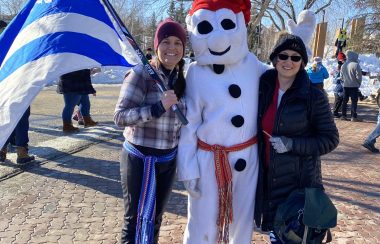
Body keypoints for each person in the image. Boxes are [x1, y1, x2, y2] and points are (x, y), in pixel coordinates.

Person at [177, 0, 316, 242]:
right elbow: (189, 126)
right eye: (206, 28)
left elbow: (286, 72)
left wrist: (299, 43)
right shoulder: (196, 73)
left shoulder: (254, 66)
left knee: (241, 223)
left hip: (246, 160)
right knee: (202, 222)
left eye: (228, 24)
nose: (218, 39)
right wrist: (188, 168)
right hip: (209, 161)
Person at [254, 32, 339, 243]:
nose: (288, 62)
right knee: (277, 236)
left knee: (294, 238)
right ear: (274, 59)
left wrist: (292, 144)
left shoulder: (313, 96)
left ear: (302, 63)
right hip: (268, 182)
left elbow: (330, 139)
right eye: (283, 56)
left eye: (295, 57)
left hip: (299, 185)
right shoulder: (262, 88)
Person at [114, 18, 187, 244]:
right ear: (156, 46)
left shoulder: (182, 78)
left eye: (177, 43)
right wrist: (156, 108)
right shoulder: (141, 75)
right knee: (135, 220)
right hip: (140, 158)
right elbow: (120, 117)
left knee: (155, 219)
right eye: (165, 42)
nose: (171, 48)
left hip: (167, 160)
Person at [340, 50, 363, 122]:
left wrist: (345, 82)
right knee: (354, 101)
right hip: (354, 86)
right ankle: (353, 117)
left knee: (344, 101)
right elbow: (359, 76)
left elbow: (341, 76)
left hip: (345, 86)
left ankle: (343, 115)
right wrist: (358, 83)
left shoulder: (343, 65)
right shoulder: (356, 65)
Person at [331, 52, 346, 118]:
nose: (343, 61)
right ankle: (334, 112)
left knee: (339, 100)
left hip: (340, 86)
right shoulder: (339, 68)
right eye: (343, 60)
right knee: (338, 100)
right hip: (339, 87)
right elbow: (336, 79)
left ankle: (335, 112)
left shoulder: (340, 67)